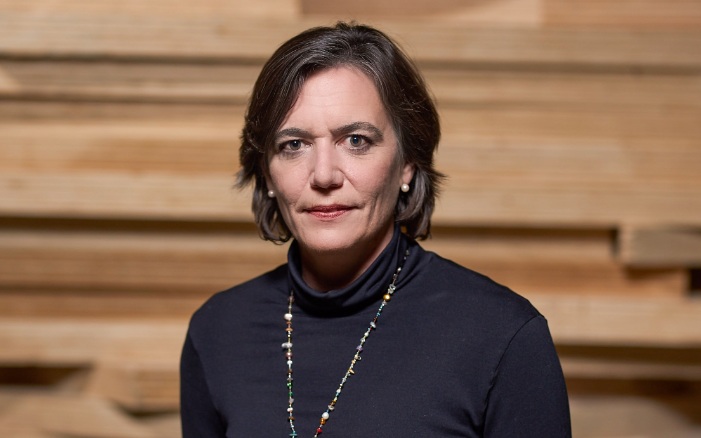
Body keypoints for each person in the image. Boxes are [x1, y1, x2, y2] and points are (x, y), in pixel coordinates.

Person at [180, 22, 571, 437]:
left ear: (407, 163)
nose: (324, 175)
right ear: (268, 173)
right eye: (293, 145)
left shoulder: (502, 335)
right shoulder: (218, 332)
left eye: (356, 140)